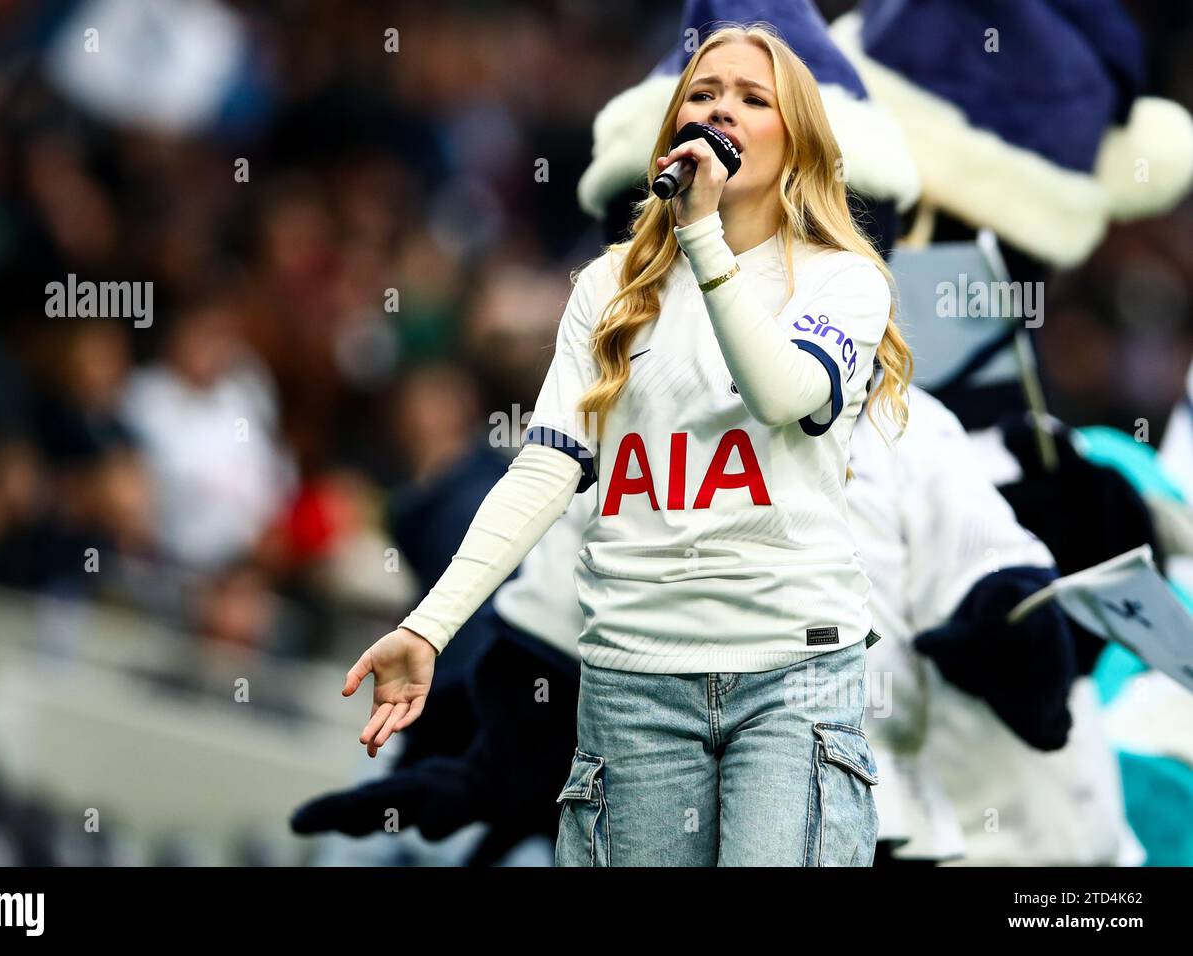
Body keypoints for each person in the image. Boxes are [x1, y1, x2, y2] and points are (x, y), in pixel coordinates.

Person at [341, 22, 912, 865]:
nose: (722, 108)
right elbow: (544, 471)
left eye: (754, 99)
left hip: (790, 673)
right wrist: (427, 629)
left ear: (797, 144)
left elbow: (784, 391)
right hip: (630, 677)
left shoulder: (844, 279)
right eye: (705, 92)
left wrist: (704, 235)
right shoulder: (608, 287)